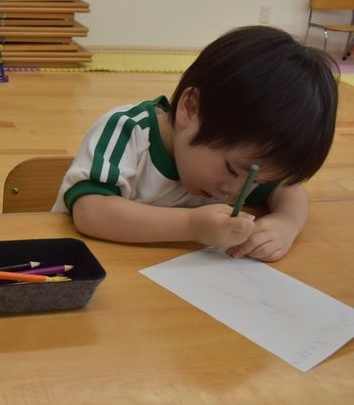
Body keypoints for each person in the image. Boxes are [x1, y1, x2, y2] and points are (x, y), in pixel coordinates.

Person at [53, 25, 338, 262]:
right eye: (231, 169)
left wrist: (287, 222)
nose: (234, 190)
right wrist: (192, 225)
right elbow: (91, 211)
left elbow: (289, 189)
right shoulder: (128, 132)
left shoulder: (246, 162)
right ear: (190, 108)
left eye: (256, 181)